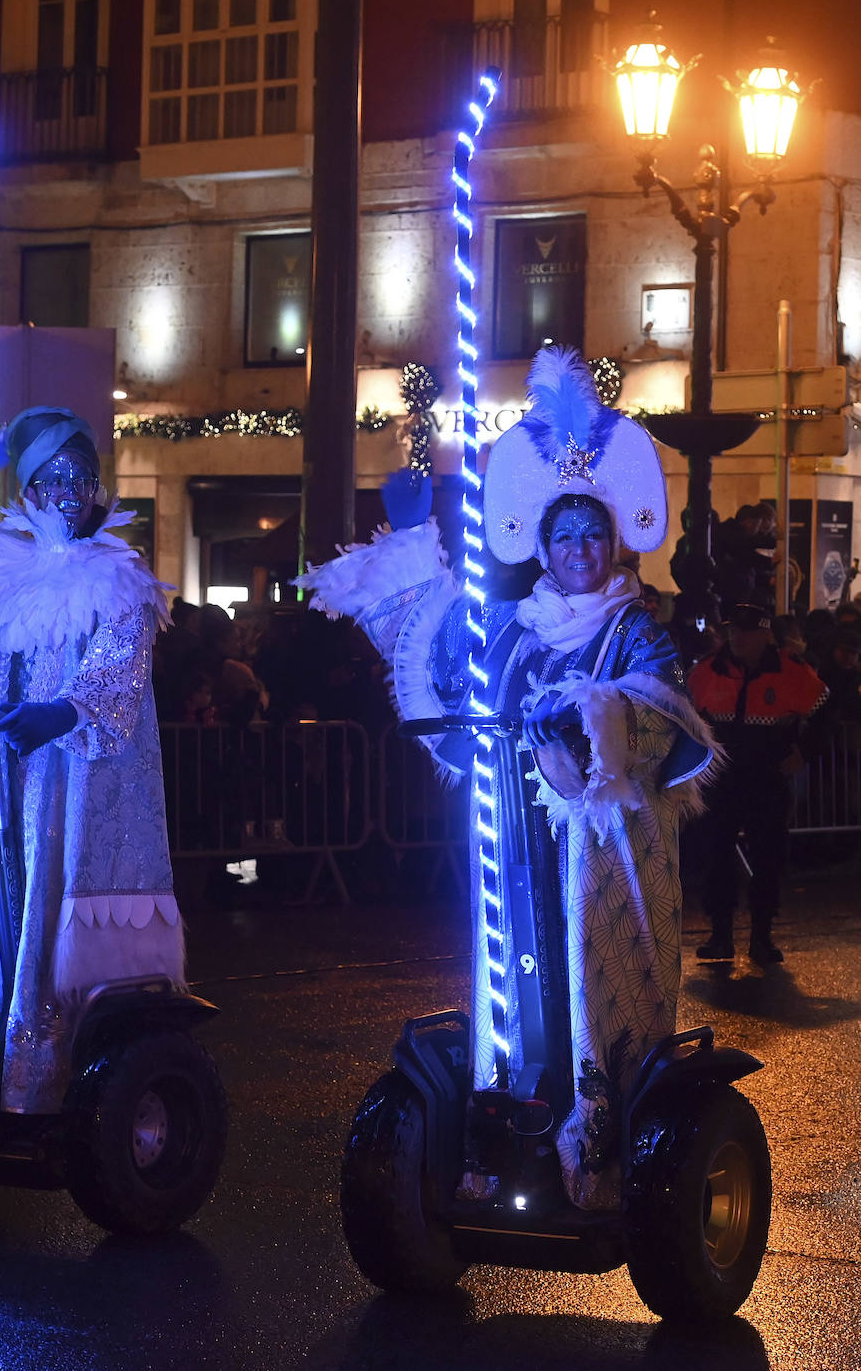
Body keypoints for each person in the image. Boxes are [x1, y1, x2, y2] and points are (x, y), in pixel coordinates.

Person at [296, 346, 718, 1211]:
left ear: (612, 542)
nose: (576, 551)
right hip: (516, 845)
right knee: (516, 988)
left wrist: (593, 718)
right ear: (543, 544)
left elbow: (665, 715)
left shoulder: (638, 627)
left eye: (591, 535)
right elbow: (430, 644)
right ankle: (504, 1123)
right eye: (562, 536)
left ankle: (604, 1143)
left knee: (590, 995)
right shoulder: (514, 627)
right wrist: (412, 541)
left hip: (606, 855)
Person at [0, 407, 183, 1113]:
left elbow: (119, 668)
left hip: (64, 781)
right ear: (29, 487)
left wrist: (64, 712)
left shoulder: (118, 578)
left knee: (48, 909)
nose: (69, 492)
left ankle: (47, 1074)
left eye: (81, 476)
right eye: (52, 477)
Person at [688, 603, 829, 963]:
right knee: (716, 858)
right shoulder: (708, 670)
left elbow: (826, 710)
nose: (737, 637)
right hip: (722, 784)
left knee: (768, 861)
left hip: (767, 781)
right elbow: (682, 716)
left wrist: (805, 753)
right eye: (733, 630)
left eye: (746, 632)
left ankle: (761, 939)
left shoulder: (791, 671)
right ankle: (721, 936)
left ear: (766, 634)